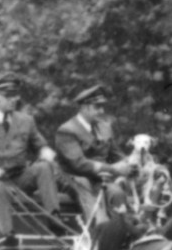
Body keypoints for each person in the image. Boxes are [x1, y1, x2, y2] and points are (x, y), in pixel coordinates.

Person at [0, 74, 61, 237]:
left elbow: (40, 145)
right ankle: (8, 235)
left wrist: (46, 153)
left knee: (44, 167)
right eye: (8, 96)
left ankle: (55, 220)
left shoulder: (26, 120)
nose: (14, 99)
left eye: (15, 95)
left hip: (19, 177)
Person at [52, 84, 136, 216]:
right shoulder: (67, 130)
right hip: (74, 179)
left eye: (102, 107)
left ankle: (121, 232)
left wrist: (132, 162)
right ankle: (98, 232)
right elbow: (79, 164)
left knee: (117, 193)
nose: (101, 111)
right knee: (90, 198)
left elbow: (117, 155)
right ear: (85, 108)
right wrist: (114, 169)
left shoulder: (104, 128)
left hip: (99, 179)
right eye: (97, 107)